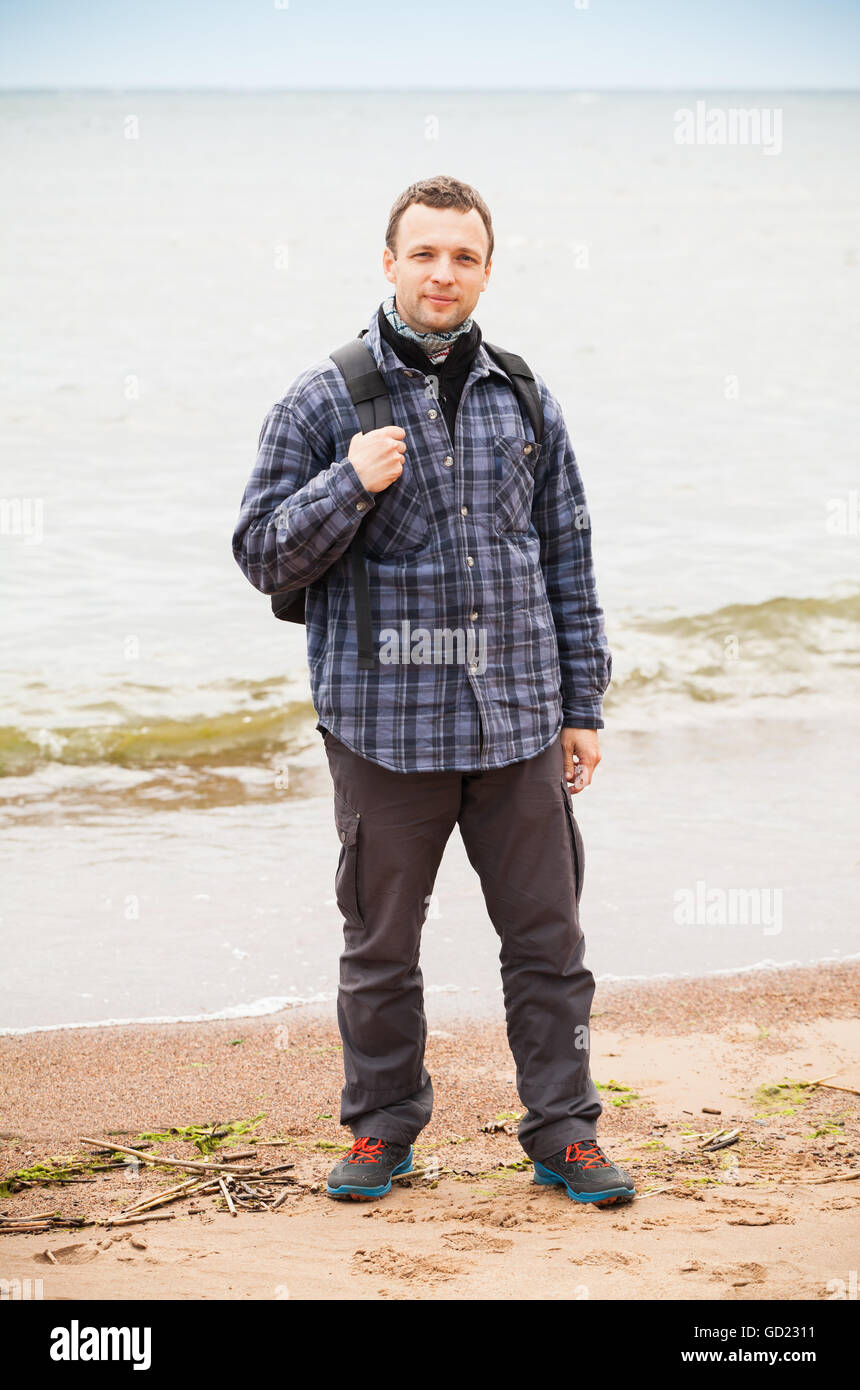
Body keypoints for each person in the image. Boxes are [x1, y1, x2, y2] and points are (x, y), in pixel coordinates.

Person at [232, 174, 634, 1208]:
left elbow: (566, 555)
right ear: (388, 263)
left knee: (548, 946)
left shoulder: (523, 392)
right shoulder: (321, 399)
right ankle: (380, 1132)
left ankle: (562, 1132)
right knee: (379, 950)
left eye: (461, 256)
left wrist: (581, 705)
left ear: (484, 269)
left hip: (517, 726)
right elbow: (261, 555)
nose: (441, 273)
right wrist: (346, 482)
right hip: (381, 731)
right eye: (423, 254)